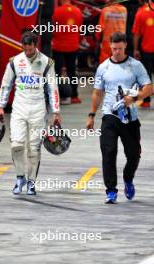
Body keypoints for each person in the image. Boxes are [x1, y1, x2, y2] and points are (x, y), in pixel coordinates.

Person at [86, 32, 153, 204]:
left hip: (130, 117)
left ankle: (128, 178)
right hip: (109, 115)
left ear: (125, 47)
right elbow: (97, 92)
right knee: (108, 153)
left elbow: (149, 88)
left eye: (120, 49)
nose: (116, 52)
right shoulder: (103, 67)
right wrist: (92, 115)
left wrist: (136, 97)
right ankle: (111, 191)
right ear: (110, 46)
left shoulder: (135, 66)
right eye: (114, 49)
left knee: (133, 155)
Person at [0, 31, 61, 195]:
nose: (28, 51)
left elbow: (52, 87)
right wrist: (1, 106)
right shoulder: (15, 62)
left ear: (36, 45)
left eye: (30, 48)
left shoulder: (47, 62)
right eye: (25, 48)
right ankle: (20, 178)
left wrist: (55, 111)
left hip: (38, 109)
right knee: (16, 145)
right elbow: (6, 85)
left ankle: (31, 182)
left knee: (34, 149)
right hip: (19, 108)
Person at [52, 0, 83, 104]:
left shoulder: (56, 11)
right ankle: (74, 96)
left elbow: (51, 28)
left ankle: (54, 96)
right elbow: (79, 28)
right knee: (72, 72)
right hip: (73, 45)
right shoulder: (78, 11)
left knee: (56, 72)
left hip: (58, 46)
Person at [132, 0, 154, 108]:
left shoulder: (140, 12)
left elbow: (136, 33)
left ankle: (146, 101)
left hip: (147, 50)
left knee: (146, 76)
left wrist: (136, 49)